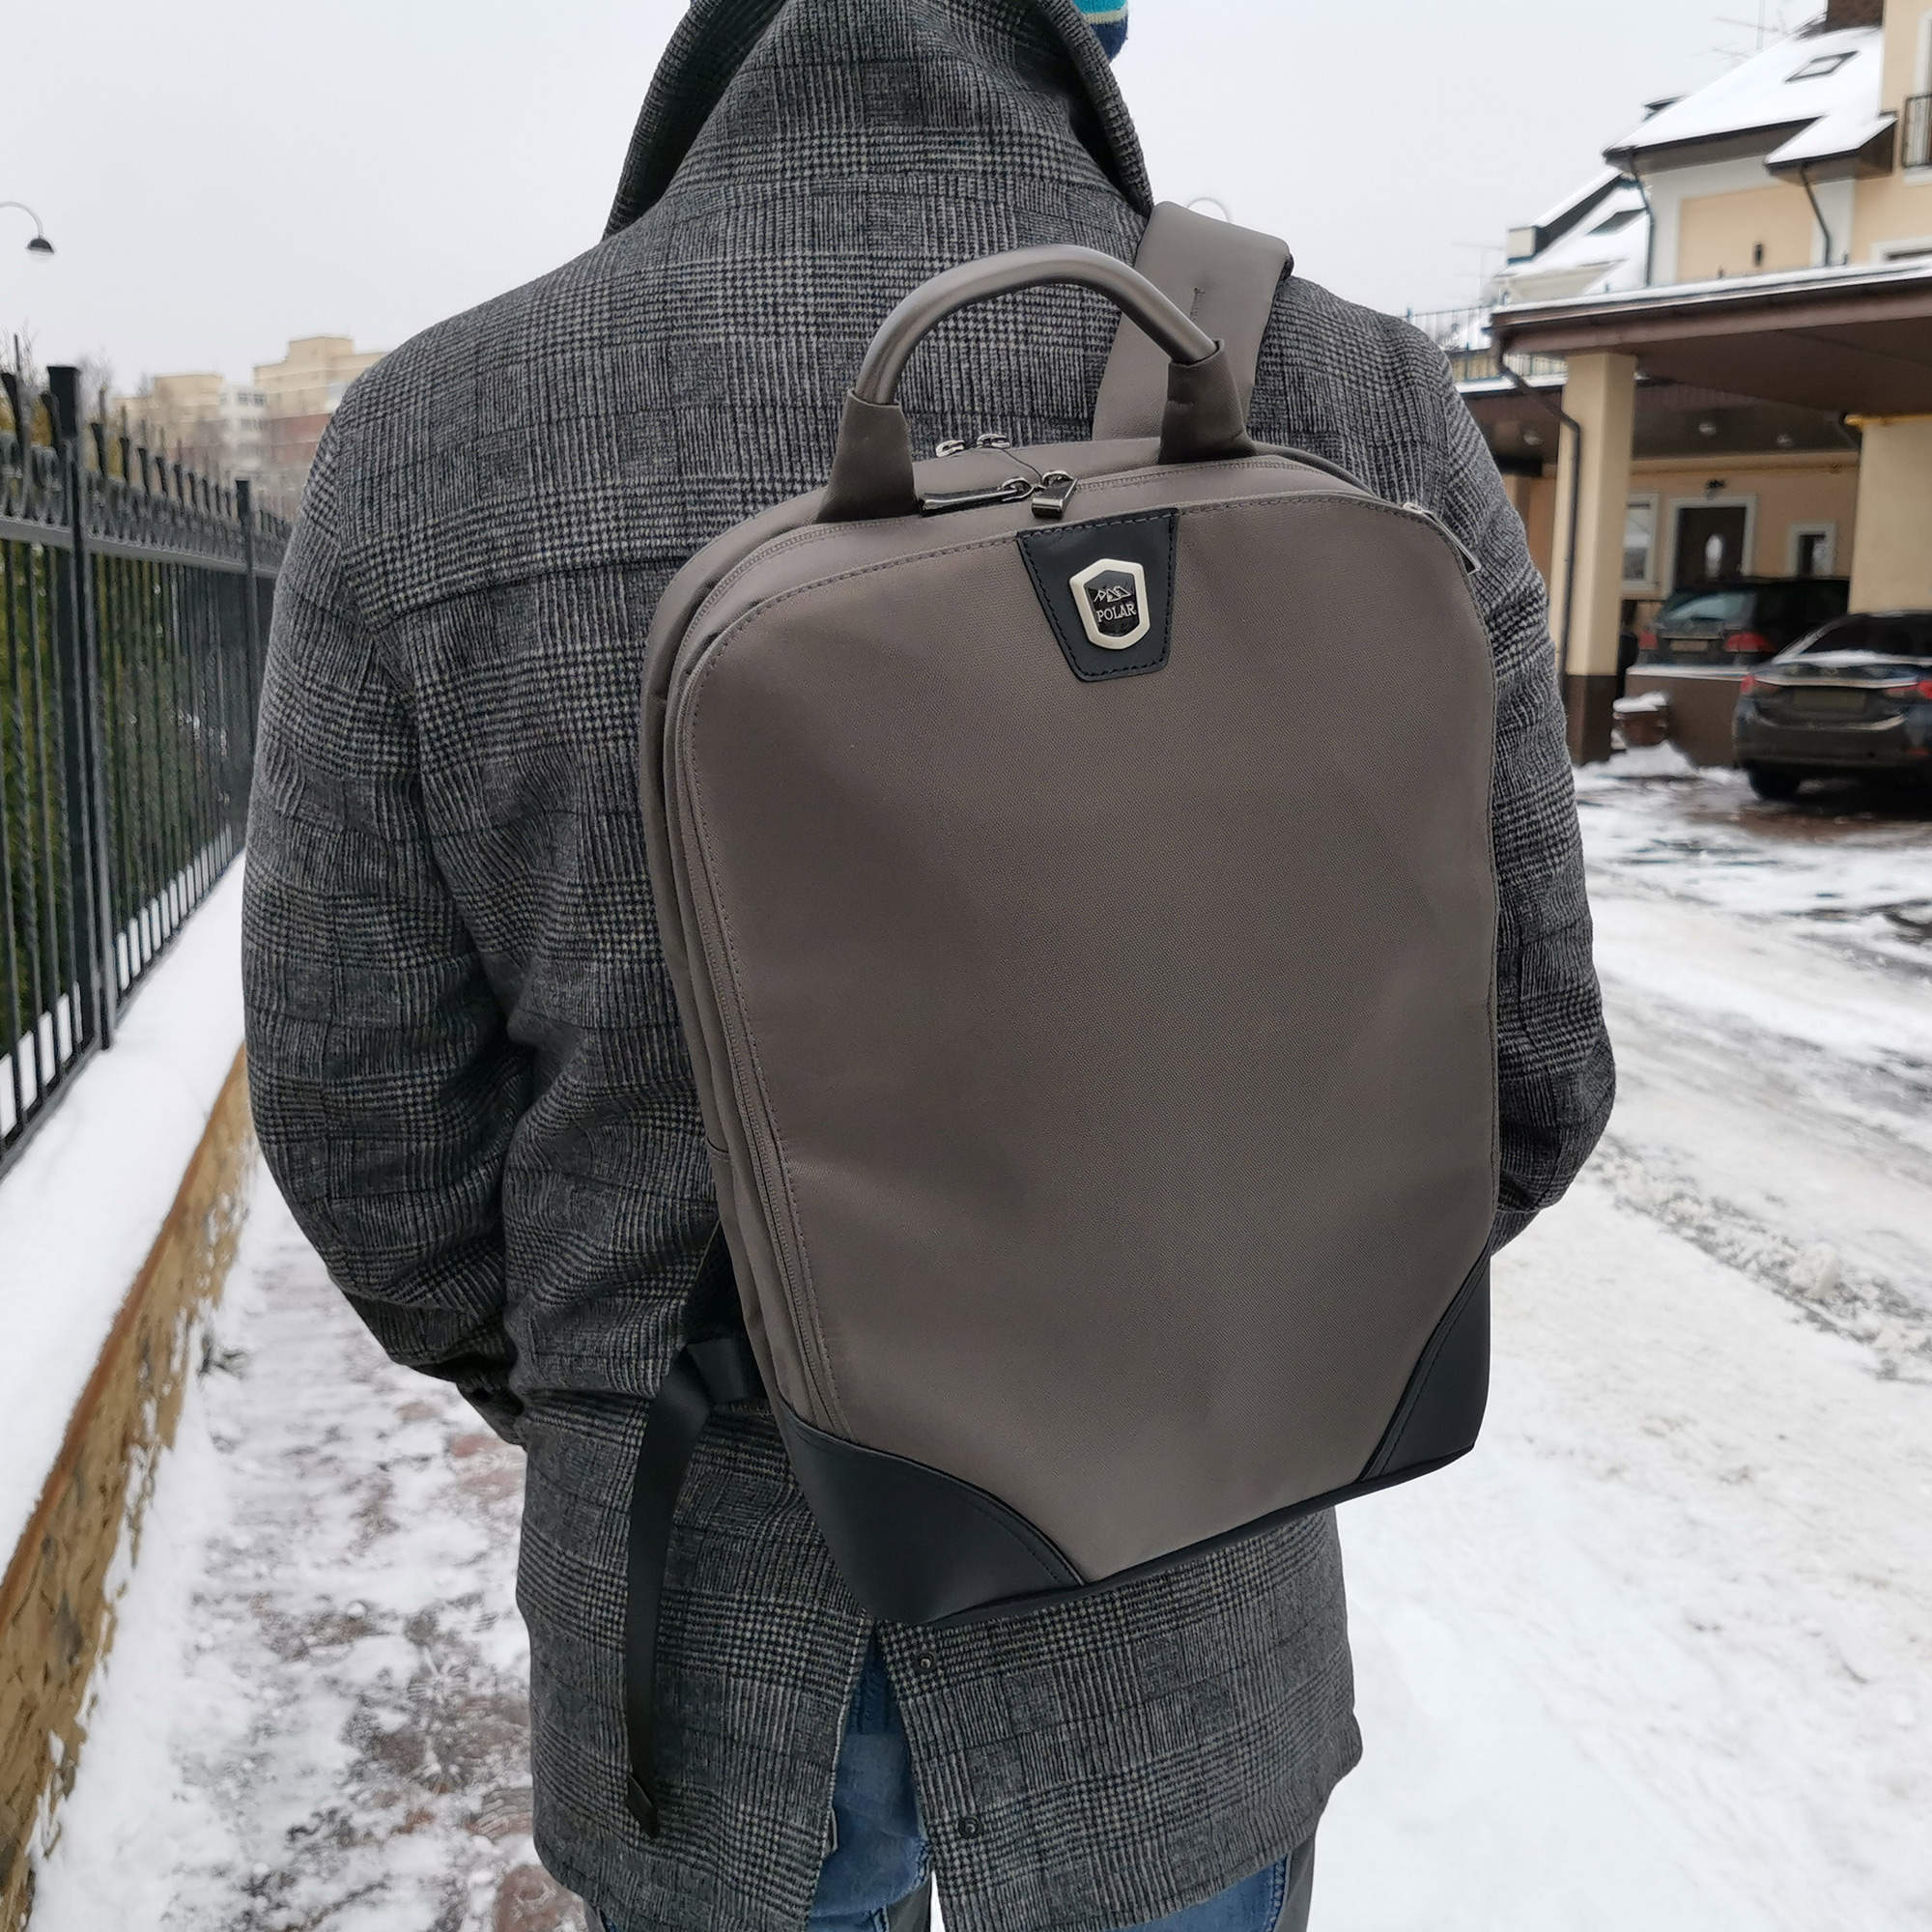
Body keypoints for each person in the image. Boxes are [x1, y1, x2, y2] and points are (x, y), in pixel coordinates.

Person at [241, 1, 1615, 1928]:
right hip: (1189, 1626)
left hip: (696, 1633)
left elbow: (361, 1113)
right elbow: (1528, 1068)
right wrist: (1221, 1302)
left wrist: (614, 1376)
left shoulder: (433, 436)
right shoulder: (1349, 388)